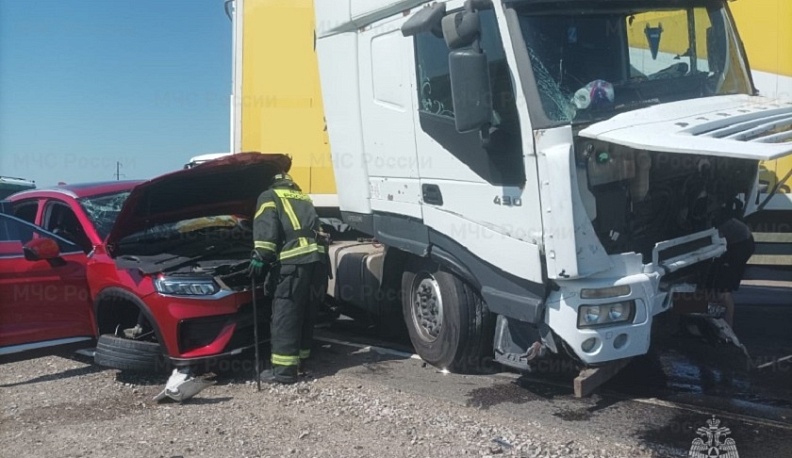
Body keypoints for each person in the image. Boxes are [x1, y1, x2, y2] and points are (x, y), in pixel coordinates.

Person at [248, 172, 329, 384]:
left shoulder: (269, 196)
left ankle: (283, 372)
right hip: (317, 262)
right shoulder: (303, 198)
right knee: (306, 313)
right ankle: (302, 360)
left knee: (286, 315)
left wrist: (261, 256)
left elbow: (267, 231)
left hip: (294, 264)